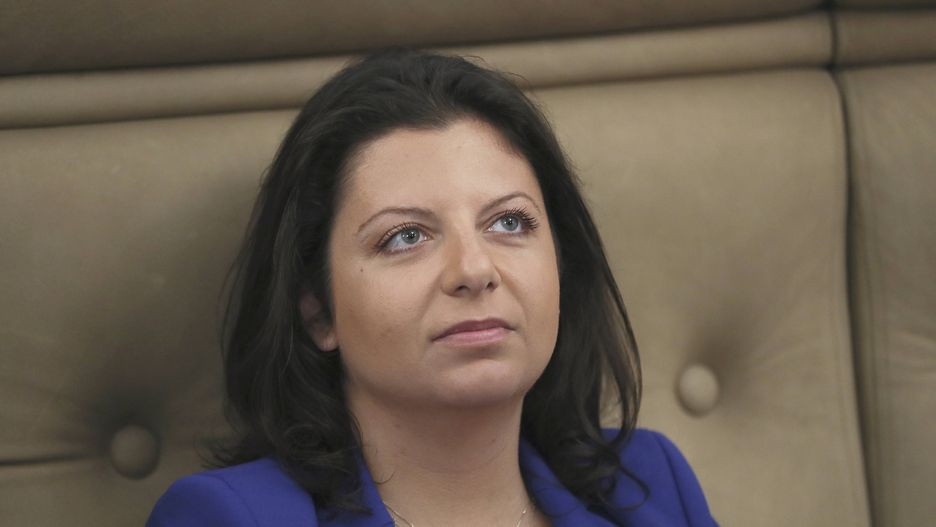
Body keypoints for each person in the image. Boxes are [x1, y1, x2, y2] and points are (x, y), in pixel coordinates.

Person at [147, 48, 717, 527]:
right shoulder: (231, 517)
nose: (474, 269)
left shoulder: (651, 483)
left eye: (510, 223)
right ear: (317, 311)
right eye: (405, 236)